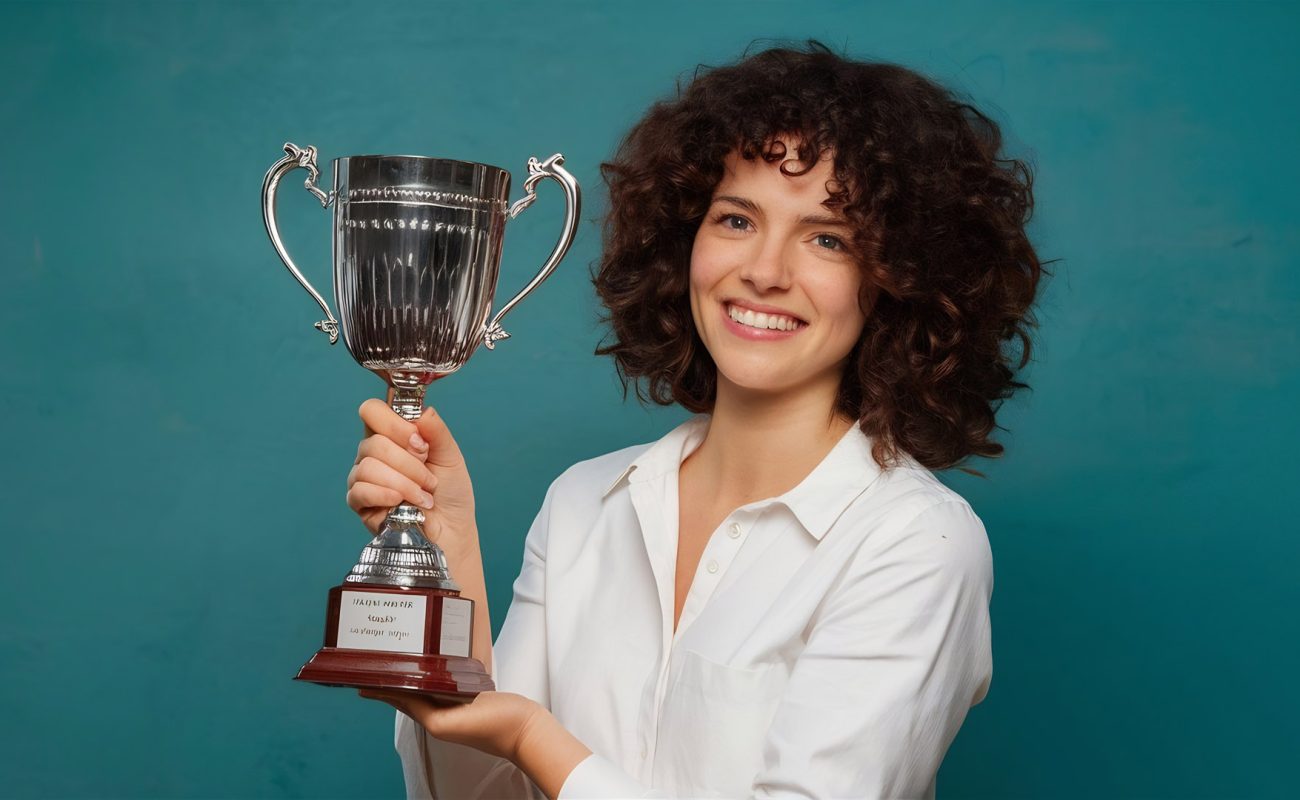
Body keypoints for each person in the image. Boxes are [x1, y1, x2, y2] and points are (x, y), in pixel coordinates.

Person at [345, 41, 1047, 800]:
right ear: (683, 239)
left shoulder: (917, 543)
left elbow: (524, 742)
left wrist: (530, 735)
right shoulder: (583, 502)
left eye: (827, 238)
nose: (766, 271)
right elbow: (476, 796)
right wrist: (450, 568)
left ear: (899, 280)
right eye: (737, 219)